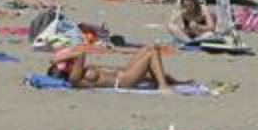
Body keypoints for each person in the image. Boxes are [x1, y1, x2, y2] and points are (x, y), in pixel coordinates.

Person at [49, 45, 184, 92]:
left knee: (150, 48)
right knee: (152, 54)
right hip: (123, 82)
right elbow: (81, 54)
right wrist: (56, 60)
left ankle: (163, 81)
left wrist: (146, 74)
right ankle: (163, 86)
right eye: (68, 63)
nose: (71, 62)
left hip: (124, 73)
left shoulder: (80, 71)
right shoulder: (74, 78)